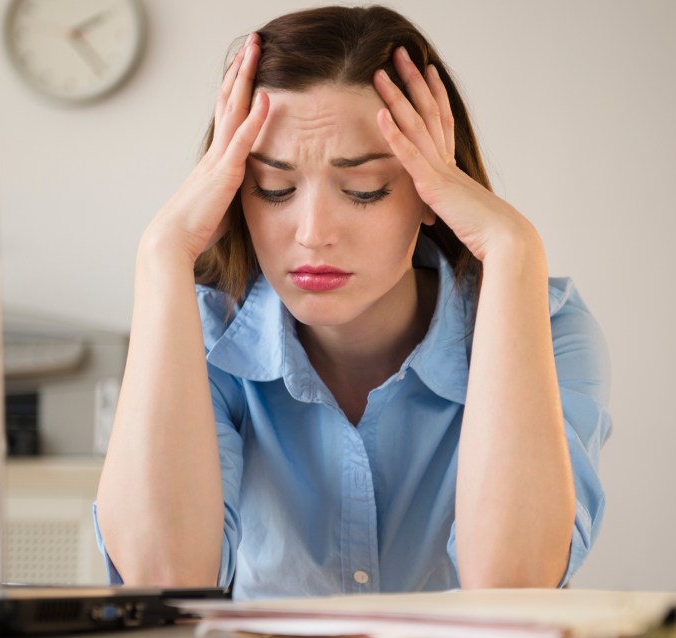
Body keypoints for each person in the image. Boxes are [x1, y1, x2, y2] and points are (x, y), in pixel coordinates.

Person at [94, 5, 611, 600]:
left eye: (364, 190)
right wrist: (161, 254)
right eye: (274, 188)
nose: (313, 232)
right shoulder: (206, 336)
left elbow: (514, 585)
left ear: (430, 192)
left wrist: (512, 248)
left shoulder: (550, 328)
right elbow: (163, 582)